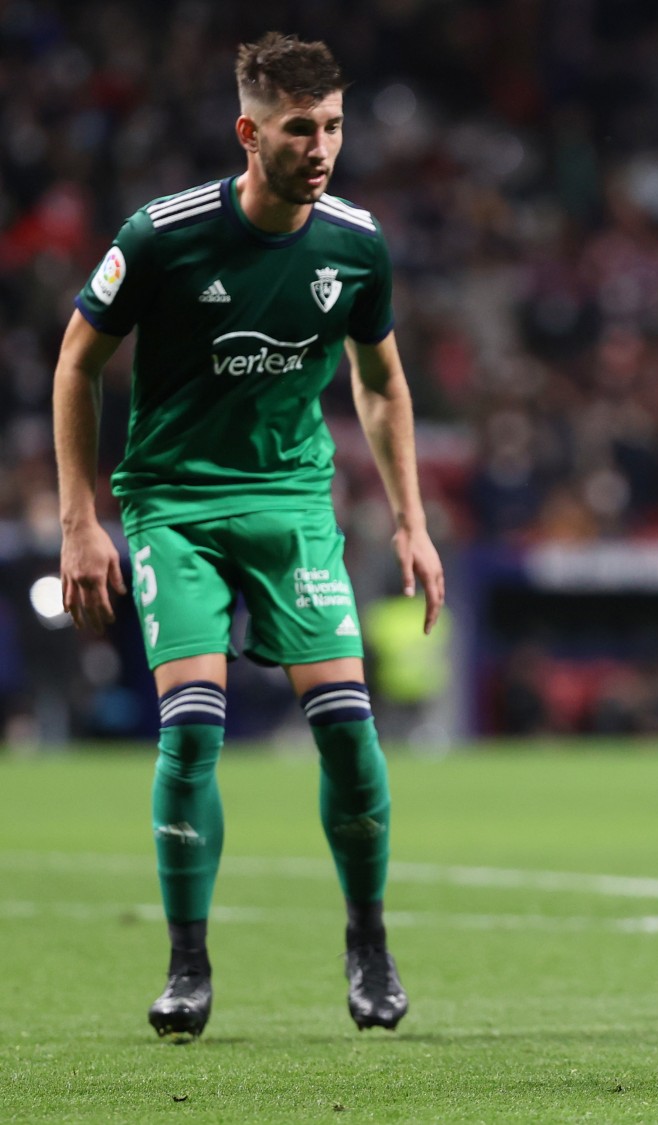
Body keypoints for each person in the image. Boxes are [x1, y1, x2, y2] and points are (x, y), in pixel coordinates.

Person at [53, 33, 444, 1038]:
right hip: (174, 505)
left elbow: (383, 380)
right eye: (301, 129)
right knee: (190, 731)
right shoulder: (161, 235)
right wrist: (79, 519)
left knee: (351, 732)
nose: (323, 146)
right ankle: (187, 964)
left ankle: (368, 940)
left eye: (335, 126)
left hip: (292, 508)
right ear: (249, 132)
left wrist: (411, 521)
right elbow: (76, 365)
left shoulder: (355, 244)